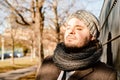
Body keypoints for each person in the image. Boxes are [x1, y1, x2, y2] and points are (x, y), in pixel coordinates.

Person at [36, 10, 117, 80]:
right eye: (68, 27)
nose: (70, 31)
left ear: (92, 36)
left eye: (79, 28)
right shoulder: (48, 62)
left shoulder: (106, 75)